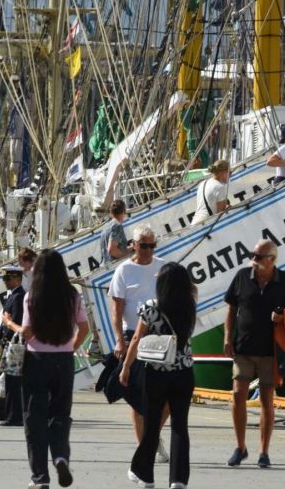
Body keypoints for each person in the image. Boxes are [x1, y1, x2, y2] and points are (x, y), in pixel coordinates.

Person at [223, 238, 285, 468]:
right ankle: (240, 447)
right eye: (253, 255)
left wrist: (283, 316)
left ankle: (263, 452)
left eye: (258, 257)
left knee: (267, 399)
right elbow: (231, 307)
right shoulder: (241, 277)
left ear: (272, 260)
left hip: (271, 351)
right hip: (243, 348)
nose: (253, 260)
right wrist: (227, 337)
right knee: (238, 394)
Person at [19, 249, 90, 489]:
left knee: (34, 418)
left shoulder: (31, 296)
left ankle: (40, 478)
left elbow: (27, 331)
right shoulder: (72, 295)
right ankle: (60, 456)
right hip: (63, 360)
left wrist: (14, 327)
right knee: (60, 413)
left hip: (37, 359)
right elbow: (84, 327)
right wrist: (71, 347)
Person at [121, 262, 197, 489]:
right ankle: (178, 479)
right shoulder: (190, 306)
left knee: (152, 425)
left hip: (157, 372)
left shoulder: (151, 307)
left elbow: (136, 339)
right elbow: (192, 290)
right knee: (180, 426)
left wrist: (126, 366)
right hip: (184, 372)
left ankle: (145, 475)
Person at [110, 225, 169, 461]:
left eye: (152, 245)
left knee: (167, 395)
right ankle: (143, 445)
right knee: (137, 395)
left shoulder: (163, 267)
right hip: (133, 333)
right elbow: (116, 311)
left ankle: (152, 435)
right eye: (143, 245)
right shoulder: (123, 271)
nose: (148, 250)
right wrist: (118, 341)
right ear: (133, 245)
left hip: (160, 335)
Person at [0, 265, 26, 427]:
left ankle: (14, 416)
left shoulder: (19, 297)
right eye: (4, 279)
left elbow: (14, 322)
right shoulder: (12, 296)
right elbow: (3, 325)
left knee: (13, 382)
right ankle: (11, 414)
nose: (5, 282)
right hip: (8, 344)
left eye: (8, 278)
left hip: (15, 345)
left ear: (18, 279)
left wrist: (4, 339)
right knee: (10, 381)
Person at [192, 160, 230, 226]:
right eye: (229, 172)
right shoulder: (220, 187)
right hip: (206, 224)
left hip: (195, 222)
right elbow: (220, 214)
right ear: (223, 172)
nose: (229, 175)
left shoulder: (203, 183)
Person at [100, 199, 130, 264]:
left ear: (111, 212)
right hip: (113, 267)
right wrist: (127, 253)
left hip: (105, 266)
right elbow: (112, 250)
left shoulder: (106, 226)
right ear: (124, 211)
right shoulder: (117, 226)